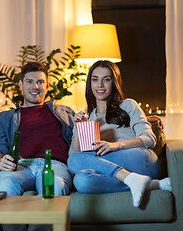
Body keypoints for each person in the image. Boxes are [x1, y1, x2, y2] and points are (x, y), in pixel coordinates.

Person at [68, 60, 171, 208]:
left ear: (114, 83)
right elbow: (74, 157)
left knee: (75, 160)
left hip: (141, 160)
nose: (100, 85)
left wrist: (116, 146)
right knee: (81, 181)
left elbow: (149, 139)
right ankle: (146, 183)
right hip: (114, 169)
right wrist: (79, 128)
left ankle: (133, 178)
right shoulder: (86, 117)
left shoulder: (128, 105)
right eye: (95, 79)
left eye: (106, 79)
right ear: (89, 84)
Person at [0, 61, 75, 231]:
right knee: (3, 185)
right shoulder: (4, 118)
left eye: (40, 82)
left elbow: (80, 143)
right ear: (20, 84)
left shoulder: (64, 113)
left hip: (54, 165)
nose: (35, 86)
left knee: (54, 185)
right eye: (29, 81)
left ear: (47, 86)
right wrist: (0, 162)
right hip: (20, 166)